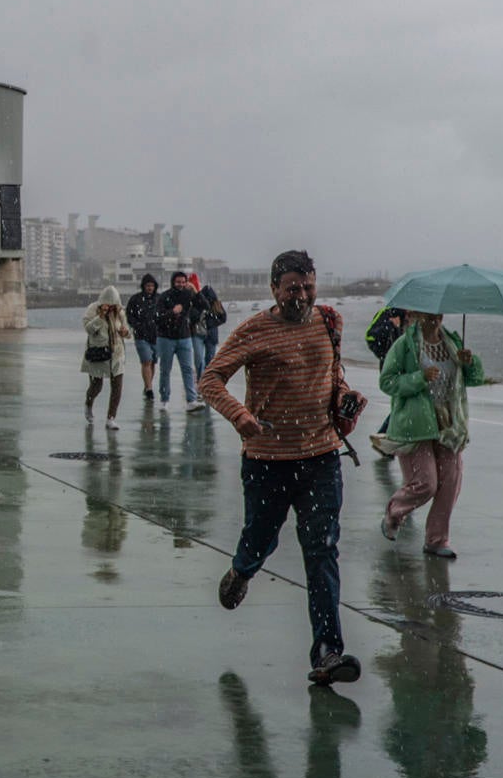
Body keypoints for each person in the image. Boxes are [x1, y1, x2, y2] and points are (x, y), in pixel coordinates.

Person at [200, 249, 363, 687]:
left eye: (308, 287)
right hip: (267, 462)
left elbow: (333, 375)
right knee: (260, 541)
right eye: (293, 288)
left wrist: (346, 395)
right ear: (274, 289)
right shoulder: (254, 329)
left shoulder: (329, 321)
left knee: (322, 550)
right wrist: (240, 416)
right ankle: (241, 569)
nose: (302, 296)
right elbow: (210, 379)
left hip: (322, 458)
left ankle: (328, 652)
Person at [377, 310, 485, 559]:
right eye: (427, 315)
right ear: (415, 315)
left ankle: (437, 540)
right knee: (425, 483)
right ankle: (395, 511)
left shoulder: (453, 343)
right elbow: (387, 382)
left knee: (450, 483)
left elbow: (474, 379)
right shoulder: (405, 345)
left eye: (438, 315)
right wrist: (419, 378)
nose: (434, 320)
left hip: (449, 423)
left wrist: (470, 364)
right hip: (415, 425)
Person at [156, 271, 206, 412]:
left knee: (188, 369)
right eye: (178, 282)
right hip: (166, 338)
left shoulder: (188, 295)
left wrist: (196, 292)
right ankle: (164, 400)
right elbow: (158, 317)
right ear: (173, 282)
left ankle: (191, 400)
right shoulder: (165, 296)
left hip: (184, 337)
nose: (181, 285)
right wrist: (172, 312)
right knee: (165, 369)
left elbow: (204, 305)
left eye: (183, 282)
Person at [82, 284, 129, 428]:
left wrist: (125, 332)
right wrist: (100, 316)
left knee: (117, 387)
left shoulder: (120, 312)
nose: (111, 308)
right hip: (98, 353)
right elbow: (88, 329)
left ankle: (111, 418)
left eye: (114, 305)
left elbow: (128, 331)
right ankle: (89, 404)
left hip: (117, 354)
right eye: (109, 305)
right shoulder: (93, 309)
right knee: (96, 386)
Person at [364, 306, 408, 450]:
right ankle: (385, 439)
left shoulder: (419, 315)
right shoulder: (389, 312)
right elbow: (370, 336)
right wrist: (390, 326)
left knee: (403, 405)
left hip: (410, 370)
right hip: (394, 370)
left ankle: (384, 440)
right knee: (403, 404)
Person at [125, 273, 161, 404]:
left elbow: (164, 314)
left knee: (153, 362)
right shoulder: (135, 299)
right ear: (143, 286)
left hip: (156, 335)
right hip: (141, 336)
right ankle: (150, 389)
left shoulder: (159, 298)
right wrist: (137, 325)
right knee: (146, 361)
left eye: (152, 285)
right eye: (148, 285)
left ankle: (147, 385)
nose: (150, 288)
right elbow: (129, 315)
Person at [193, 273, 227, 372]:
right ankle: (203, 379)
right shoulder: (204, 304)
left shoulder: (215, 305)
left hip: (209, 335)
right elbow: (223, 318)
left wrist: (210, 323)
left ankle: (204, 379)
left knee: (208, 360)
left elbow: (223, 317)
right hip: (203, 334)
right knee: (205, 360)